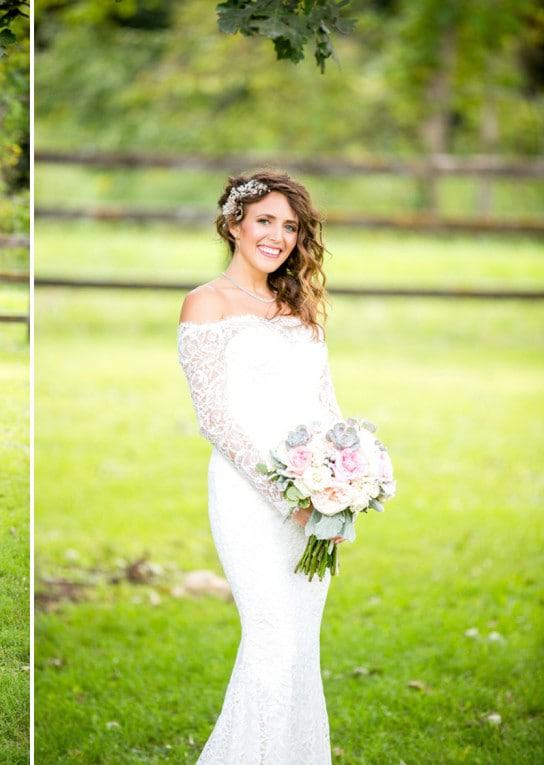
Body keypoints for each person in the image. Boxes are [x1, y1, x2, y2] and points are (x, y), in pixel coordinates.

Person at [177, 171, 345, 763]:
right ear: (234, 224)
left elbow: (325, 403)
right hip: (251, 493)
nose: (277, 236)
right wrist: (285, 492)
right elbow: (215, 420)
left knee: (300, 644)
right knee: (272, 638)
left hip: (316, 493)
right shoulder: (206, 302)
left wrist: (342, 481)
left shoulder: (302, 305)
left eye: (290, 226)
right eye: (265, 221)